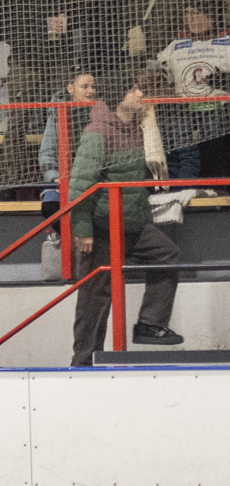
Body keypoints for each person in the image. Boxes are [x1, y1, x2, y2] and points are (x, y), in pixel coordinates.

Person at [70, 83, 185, 364]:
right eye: (134, 90)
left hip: (133, 223)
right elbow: (79, 186)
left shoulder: (136, 127)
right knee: (95, 298)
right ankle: (82, 362)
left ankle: (149, 323)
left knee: (167, 255)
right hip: (102, 227)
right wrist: (83, 230)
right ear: (119, 96)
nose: (140, 95)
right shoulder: (96, 133)